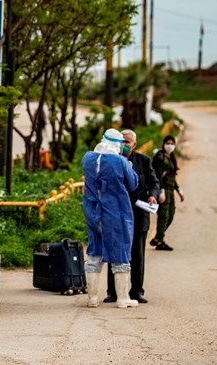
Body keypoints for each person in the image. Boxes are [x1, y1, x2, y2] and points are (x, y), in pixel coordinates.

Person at [82, 128, 139, 309]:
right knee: (120, 251)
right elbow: (132, 183)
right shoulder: (120, 161)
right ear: (117, 144)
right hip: (115, 212)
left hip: (93, 211)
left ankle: (92, 298)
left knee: (94, 251)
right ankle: (122, 298)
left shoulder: (88, 158)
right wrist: (129, 168)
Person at [104, 129, 160, 304]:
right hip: (116, 214)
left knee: (137, 254)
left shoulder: (144, 161)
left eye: (127, 142)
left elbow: (154, 182)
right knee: (115, 252)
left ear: (134, 144)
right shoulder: (111, 160)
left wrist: (153, 195)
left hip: (138, 214)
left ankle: (136, 291)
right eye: (122, 141)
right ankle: (112, 292)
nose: (124, 145)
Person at [151, 135, 185, 251]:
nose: (170, 146)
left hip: (170, 189)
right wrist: (161, 191)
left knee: (171, 214)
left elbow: (171, 176)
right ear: (164, 144)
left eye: (172, 144)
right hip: (164, 189)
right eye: (168, 143)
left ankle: (158, 237)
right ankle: (159, 240)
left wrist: (178, 190)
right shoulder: (160, 158)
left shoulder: (171, 157)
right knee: (164, 215)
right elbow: (158, 176)